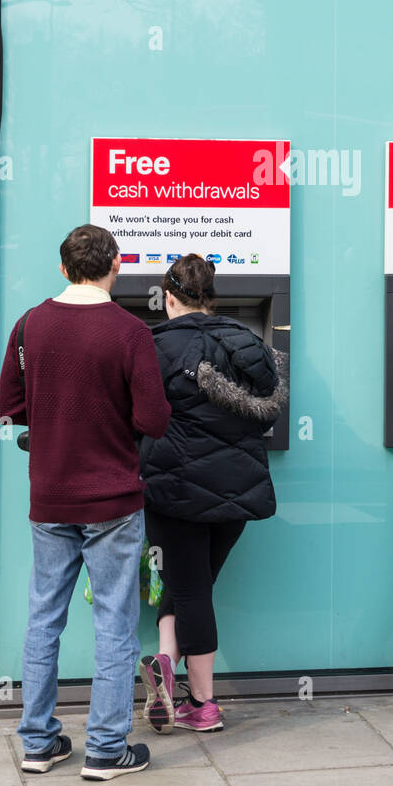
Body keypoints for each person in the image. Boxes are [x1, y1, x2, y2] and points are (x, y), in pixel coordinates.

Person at [0, 224, 171, 780]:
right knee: (115, 624)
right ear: (114, 267)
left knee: (44, 618)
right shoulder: (130, 332)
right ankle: (105, 750)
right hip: (113, 500)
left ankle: (39, 743)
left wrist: (54, 418)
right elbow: (153, 420)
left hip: (49, 496)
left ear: (64, 268)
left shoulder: (30, 324)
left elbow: (9, 404)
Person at [138, 253, 287, 734]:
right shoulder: (246, 341)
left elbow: (133, 418)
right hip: (237, 491)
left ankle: (202, 704)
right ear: (212, 297)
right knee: (190, 584)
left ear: (167, 297)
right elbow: (269, 408)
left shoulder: (151, 346)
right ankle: (164, 662)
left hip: (172, 489)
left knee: (190, 588)